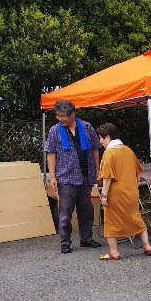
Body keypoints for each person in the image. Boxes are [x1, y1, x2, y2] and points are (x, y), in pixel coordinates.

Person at [45, 99, 103, 254]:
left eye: (63, 116)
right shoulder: (54, 131)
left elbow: (95, 149)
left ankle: (86, 238)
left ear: (72, 114)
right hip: (66, 176)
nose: (60, 119)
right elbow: (51, 153)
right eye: (58, 116)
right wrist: (52, 177)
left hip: (85, 174)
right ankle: (65, 242)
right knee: (65, 211)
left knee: (86, 209)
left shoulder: (86, 127)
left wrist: (98, 170)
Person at [95, 123, 151, 260]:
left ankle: (113, 252)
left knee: (110, 221)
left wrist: (104, 195)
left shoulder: (109, 153)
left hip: (116, 194)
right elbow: (137, 173)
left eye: (101, 138)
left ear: (108, 137)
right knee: (136, 217)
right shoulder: (128, 150)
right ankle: (147, 246)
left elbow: (107, 177)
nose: (100, 141)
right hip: (132, 192)